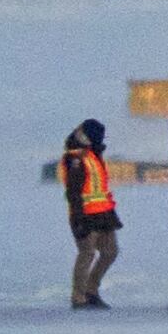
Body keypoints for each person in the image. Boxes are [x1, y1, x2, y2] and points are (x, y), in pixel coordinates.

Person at [56, 119, 120, 308]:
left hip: (104, 214)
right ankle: (79, 297)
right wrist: (78, 218)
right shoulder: (76, 158)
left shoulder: (93, 155)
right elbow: (74, 192)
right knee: (87, 253)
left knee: (110, 252)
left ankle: (91, 290)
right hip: (85, 215)